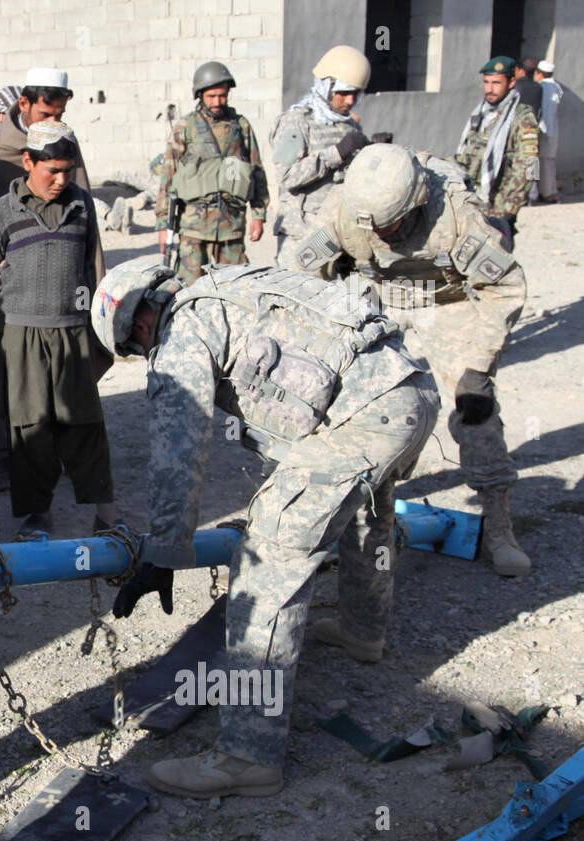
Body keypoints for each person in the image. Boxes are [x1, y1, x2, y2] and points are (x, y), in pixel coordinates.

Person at [101, 261, 438, 797]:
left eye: (138, 347)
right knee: (365, 507)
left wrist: (162, 554)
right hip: (411, 390)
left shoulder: (182, 333)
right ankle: (362, 631)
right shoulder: (229, 287)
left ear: (139, 326)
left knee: (269, 557)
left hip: (367, 416)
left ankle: (246, 755)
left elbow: (178, 452)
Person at [291, 143, 531, 578]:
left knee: (474, 407)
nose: (381, 235)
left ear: (416, 203)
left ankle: (499, 527)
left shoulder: (455, 213)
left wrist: (479, 364)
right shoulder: (347, 209)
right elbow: (306, 276)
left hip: (447, 301)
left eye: (391, 225)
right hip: (379, 297)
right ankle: (349, 522)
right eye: (373, 228)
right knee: (351, 406)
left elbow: (506, 288)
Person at [0, 120, 116, 535]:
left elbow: (93, 267)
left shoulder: (82, 207)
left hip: (73, 330)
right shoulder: (0, 213)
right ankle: (35, 513)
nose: (60, 180)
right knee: (31, 426)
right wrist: (1, 337)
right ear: (27, 162)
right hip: (22, 334)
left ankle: (107, 515)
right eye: (51, 170)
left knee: (85, 423)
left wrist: (100, 332)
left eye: (68, 171)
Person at [155, 61, 268, 282]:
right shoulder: (185, 128)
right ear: (200, 95)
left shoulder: (241, 126)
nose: (217, 102)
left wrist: (259, 215)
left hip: (231, 225)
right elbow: (168, 177)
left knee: (237, 287)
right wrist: (162, 225)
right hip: (193, 228)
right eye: (211, 96)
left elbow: (256, 171)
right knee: (188, 290)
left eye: (222, 96)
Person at [270, 45, 371, 266]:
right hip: (304, 233)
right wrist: (336, 153)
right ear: (327, 87)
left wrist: (374, 153)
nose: (349, 101)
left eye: (355, 93)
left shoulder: (350, 126)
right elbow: (287, 176)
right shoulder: (295, 122)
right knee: (301, 293)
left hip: (340, 229)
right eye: (343, 93)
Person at [454, 56, 539, 237]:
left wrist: (512, 209)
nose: (489, 89)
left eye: (496, 83)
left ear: (511, 82)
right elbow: (466, 153)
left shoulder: (522, 117)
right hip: (471, 199)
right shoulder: (481, 114)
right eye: (486, 82)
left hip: (499, 205)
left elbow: (530, 164)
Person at [532, 60, 560, 204]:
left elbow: (546, 112)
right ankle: (550, 191)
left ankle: (545, 193)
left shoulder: (544, 86)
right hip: (552, 129)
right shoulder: (556, 86)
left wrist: (544, 131)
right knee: (548, 161)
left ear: (539, 73)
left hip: (544, 129)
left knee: (541, 162)